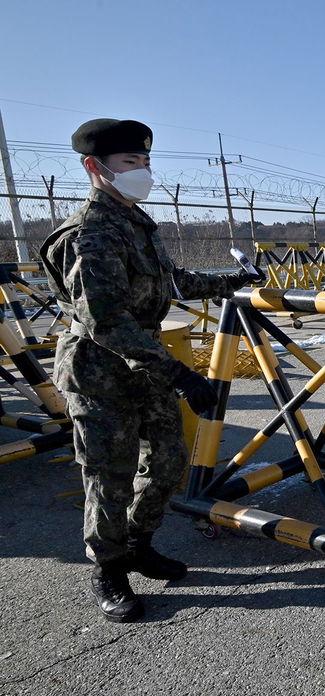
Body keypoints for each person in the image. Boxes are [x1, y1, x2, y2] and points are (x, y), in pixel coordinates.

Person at [39, 119, 259, 622]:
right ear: (95, 168)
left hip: (144, 369)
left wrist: (234, 281)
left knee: (165, 463)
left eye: (144, 162)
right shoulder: (90, 235)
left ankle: (138, 544)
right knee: (108, 478)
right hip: (100, 374)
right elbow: (105, 320)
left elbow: (171, 282)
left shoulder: (136, 222)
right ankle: (108, 569)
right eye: (129, 163)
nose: (142, 171)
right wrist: (181, 375)